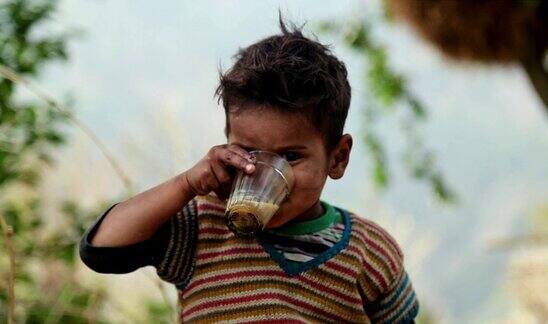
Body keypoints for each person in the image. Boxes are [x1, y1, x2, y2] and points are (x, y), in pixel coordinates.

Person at [79, 17, 419, 323]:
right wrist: (185, 184)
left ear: (337, 158)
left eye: (291, 156)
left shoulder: (370, 252)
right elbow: (103, 250)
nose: (261, 172)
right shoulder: (202, 228)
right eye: (247, 152)